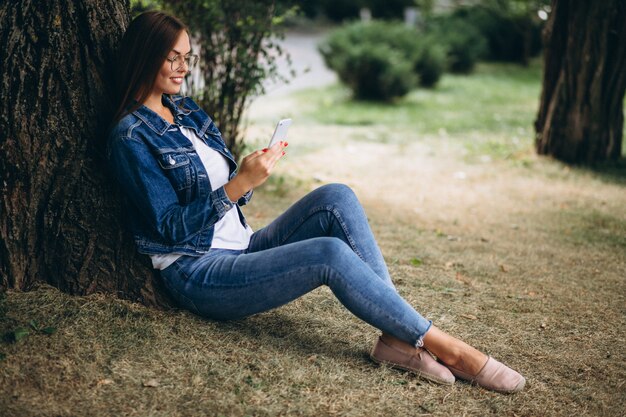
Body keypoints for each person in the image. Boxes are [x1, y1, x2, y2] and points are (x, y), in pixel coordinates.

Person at [107, 10, 526, 394]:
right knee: (328, 253)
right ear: (146, 57)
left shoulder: (185, 112)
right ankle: (448, 348)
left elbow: (225, 191)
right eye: (172, 58)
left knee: (336, 197)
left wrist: (249, 175)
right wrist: (238, 185)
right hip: (197, 271)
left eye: (188, 57)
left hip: (242, 245)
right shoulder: (130, 136)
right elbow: (169, 228)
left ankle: (399, 340)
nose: (183, 68)